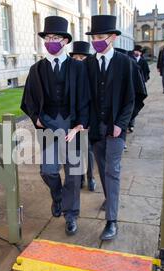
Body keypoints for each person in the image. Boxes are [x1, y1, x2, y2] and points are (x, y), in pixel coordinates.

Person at [21, 16, 90, 236]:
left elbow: (85, 99)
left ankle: (71, 215)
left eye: (56, 37)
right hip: (49, 127)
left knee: (73, 173)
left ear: (65, 41)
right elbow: (28, 100)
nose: (52, 40)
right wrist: (36, 119)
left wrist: (79, 125)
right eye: (48, 37)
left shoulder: (78, 68)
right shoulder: (36, 69)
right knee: (48, 171)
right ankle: (57, 196)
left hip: (72, 126)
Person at [84, 15, 135, 241]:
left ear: (112, 37)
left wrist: (121, 123)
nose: (97, 41)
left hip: (115, 128)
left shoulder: (125, 64)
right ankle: (109, 197)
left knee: (112, 171)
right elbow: (82, 97)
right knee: (102, 168)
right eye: (94, 37)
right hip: (96, 129)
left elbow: (132, 98)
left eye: (101, 37)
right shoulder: (87, 64)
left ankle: (112, 221)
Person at [69, 41, 96, 192]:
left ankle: (91, 177)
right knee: (76, 149)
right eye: (76, 57)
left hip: (89, 118)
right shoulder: (70, 73)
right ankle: (79, 177)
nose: (78, 60)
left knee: (88, 149)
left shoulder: (92, 73)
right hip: (73, 119)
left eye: (82, 57)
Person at [127, 44, 149, 133]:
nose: (137, 52)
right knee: (130, 104)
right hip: (131, 85)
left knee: (135, 104)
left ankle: (131, 124)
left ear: (140, 53)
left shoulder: (143, 61)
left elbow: (147, 72)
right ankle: (129, 123)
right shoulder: (129, 59)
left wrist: (143, 80)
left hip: (139, 84)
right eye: (136, 51)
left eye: (139, 51)